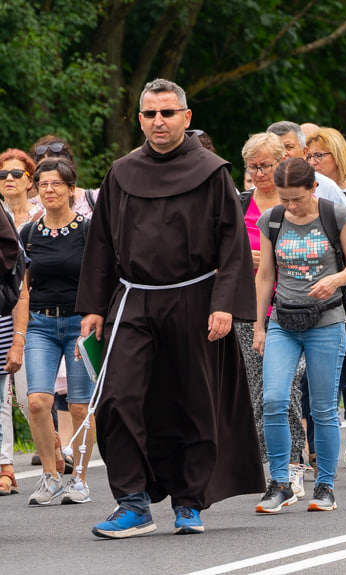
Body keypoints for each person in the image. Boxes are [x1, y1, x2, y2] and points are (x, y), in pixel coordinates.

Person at [77, 78, 264, 538]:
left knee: (192, 401)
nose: (158, 121)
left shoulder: (211, 171)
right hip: (133, 298)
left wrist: (224, 304)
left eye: (167, 112)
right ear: (139, 119)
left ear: (186, 117)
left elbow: (233, 245)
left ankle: (188, 501)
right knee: (118, 397)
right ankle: (133, 503)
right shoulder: (121, 172)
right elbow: (100, 242)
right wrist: (95, 306)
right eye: (149, 114)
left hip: (195, 298)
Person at [253, 158, 346, 513]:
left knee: (322, 407)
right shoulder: (272, 219)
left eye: (297, 198)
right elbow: (266, 275)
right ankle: (280, 483)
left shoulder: (335, 214)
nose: (290, 205)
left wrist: (335, 279)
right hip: (284, 321)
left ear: (314, 188)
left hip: (326, 322)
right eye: (284, 198)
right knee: (272, 400)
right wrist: (259, 325)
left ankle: (325, 485)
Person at [21, 157, 95, 505]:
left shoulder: (88, 230)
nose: (49, 190)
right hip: (40, 324)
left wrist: (96, 319)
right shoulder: (29, 233)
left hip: (79, 325)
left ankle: (79, 478)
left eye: (56, 184)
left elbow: (101, 280)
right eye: (43, 184)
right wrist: (20, 336)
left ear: (70, 189)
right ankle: (50, 476)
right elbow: (23, 289)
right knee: (38, 402)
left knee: (80, 407)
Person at [238, 132, 307, 498]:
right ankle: (273, 466)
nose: (261, 173)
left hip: (291, 305)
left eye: (267, 165)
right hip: (248, 310)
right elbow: (212, 253)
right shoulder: (237, 203)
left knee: (286, 387)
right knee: (258, 391)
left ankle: (295, 463)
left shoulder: (297, 203)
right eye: (254, 167)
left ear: (283, 162)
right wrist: (238, 261)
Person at [305, 127, 346, 469]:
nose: (313, 162)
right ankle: (313, 444)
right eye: (309, 156)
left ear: (338, 156)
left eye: (320, 156)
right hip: (308, 296)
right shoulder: (297, 191)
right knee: (312, 376)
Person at [0, 149, 33, 497]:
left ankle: (7, 464)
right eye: (2, 174)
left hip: (18, 315)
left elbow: (19, 280)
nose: (8, 180)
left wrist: (19, 336)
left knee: (25, 398)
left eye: (15, 173)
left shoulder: (21, 218)